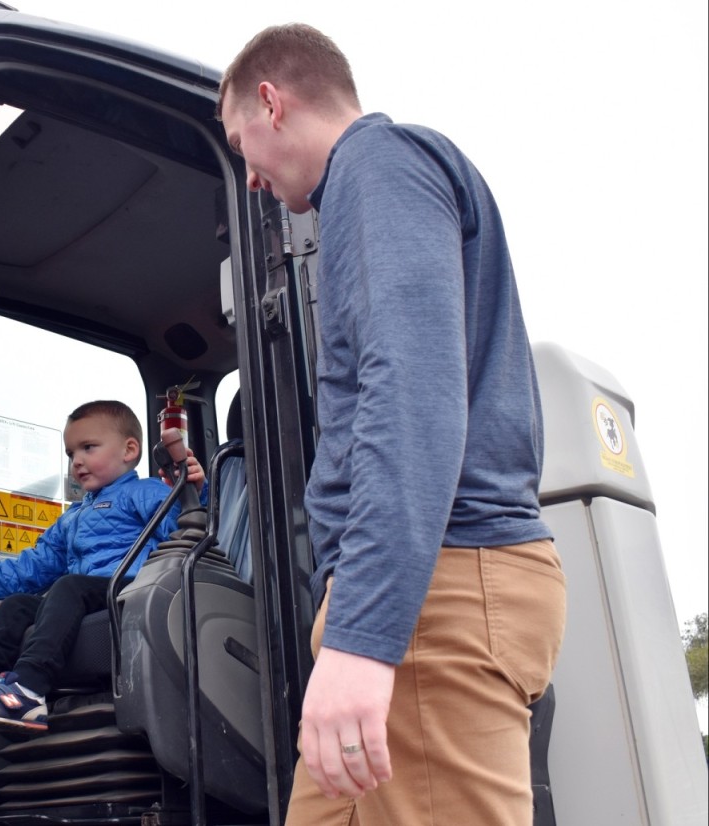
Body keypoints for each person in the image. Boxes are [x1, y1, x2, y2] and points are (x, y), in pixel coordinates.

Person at [218, 24, 566, 826]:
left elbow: (409, 393)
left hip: (435, 590)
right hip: (412, 590)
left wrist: (363, 638)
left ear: (272, 103)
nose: (251, 178)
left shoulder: (378, 165)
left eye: (242, 145)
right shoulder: (366, 190)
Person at [0, 399, 203, 733]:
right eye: (71, 453)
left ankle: (29, 690)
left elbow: (185, 534)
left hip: (129, 592)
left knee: (69, 586)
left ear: (129, 450)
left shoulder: (147, 493)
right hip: (83, 599)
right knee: (18, 605)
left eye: (88, 447)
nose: (78, 461)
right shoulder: (72, 517)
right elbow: (33, 567)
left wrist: (191, 493)